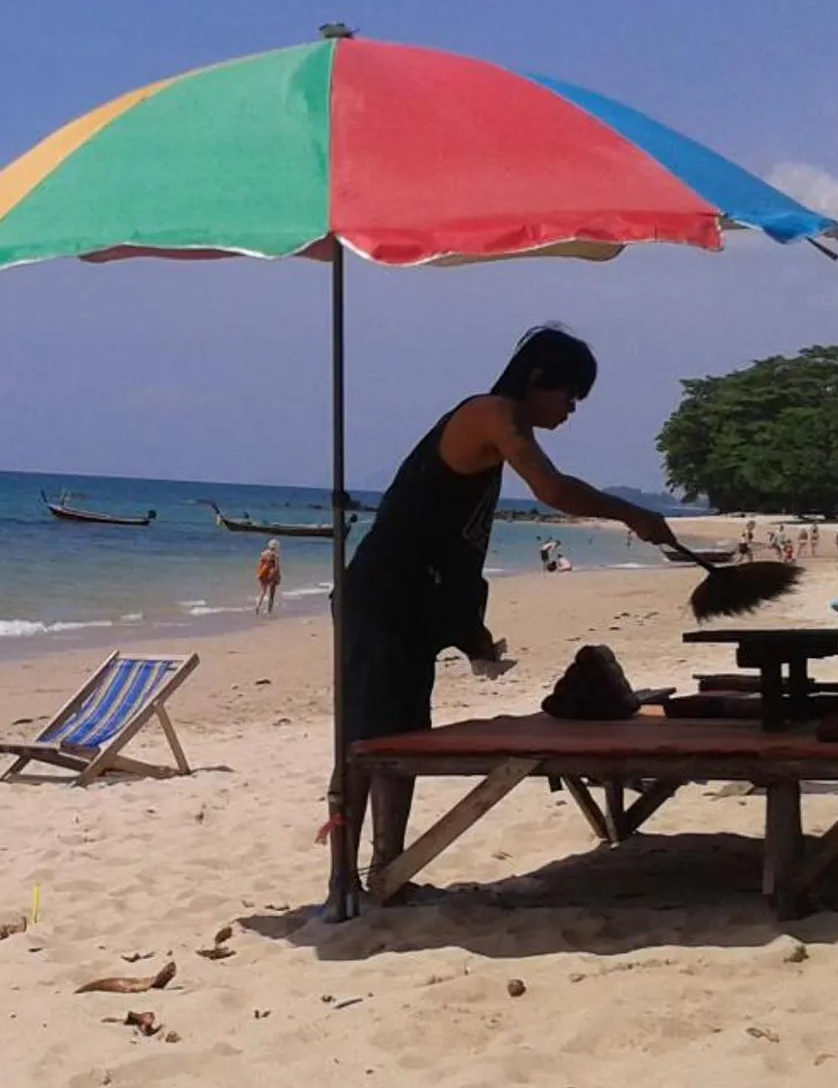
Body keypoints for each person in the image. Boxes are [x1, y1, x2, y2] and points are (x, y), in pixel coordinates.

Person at [324, 326, 674, 922]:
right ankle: (340, 884)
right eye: (570, 397)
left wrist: (470, 629)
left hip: (416, 602)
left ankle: (388, 870)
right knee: (363, 741)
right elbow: (554, 489)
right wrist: (633, 514)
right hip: (380, 598)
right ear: (538, 379)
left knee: (401, 736)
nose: (569, 412)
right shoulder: (489, 413)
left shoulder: (499, 425)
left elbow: (453, 540)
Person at [255, 539, 283, 615]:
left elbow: (260, 565)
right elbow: (277, 567)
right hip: (272, 575)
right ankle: (269, 611)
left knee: (263, 592)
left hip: (263, 573)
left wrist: (259, 574)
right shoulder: (275, 555)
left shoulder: (263, 553)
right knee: (271, 594)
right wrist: (278, 576)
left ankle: (257, 606)